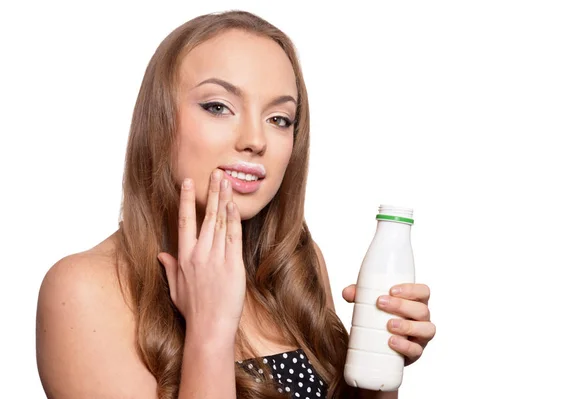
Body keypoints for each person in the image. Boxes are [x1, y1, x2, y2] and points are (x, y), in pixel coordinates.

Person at [35, 10, 436, 399]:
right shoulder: (82, 292)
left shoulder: (295, 266)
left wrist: (380, 375)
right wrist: (210, 331)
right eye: (218, 107)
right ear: (160, 121)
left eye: (279, 119)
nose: (255, 140)